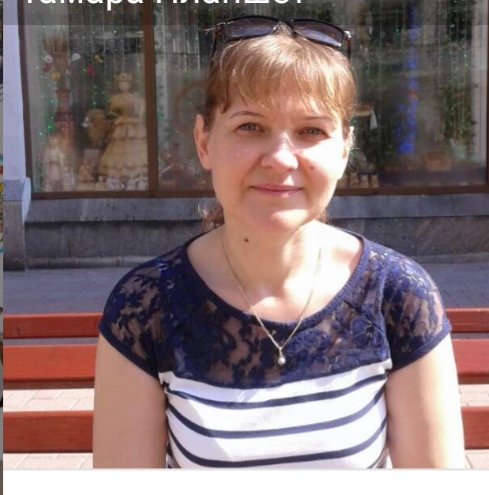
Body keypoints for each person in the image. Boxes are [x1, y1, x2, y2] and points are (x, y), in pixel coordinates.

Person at [93, 16, 465, 468]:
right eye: (251, 127)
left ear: (344, 149)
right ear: (204, 142)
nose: (280, 159)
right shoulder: (146, 307)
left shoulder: (399, 295)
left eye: (312, 131)